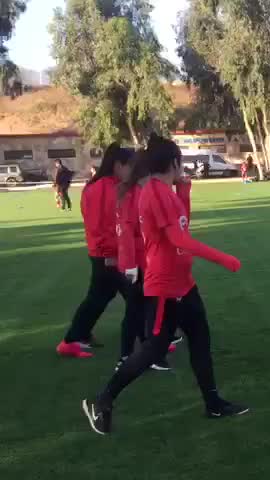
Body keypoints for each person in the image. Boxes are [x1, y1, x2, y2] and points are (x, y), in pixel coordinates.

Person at [82, 133, 247, 435]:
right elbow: (178, 239)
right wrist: (224, 259)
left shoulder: (165, 191)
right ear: (174, 162)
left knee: (200, 340)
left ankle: (213, 404)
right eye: (180, 164)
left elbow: (182, 224)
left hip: (184, 283)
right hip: (165, 288)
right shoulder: (155, 193)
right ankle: (103, 399)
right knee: (153, 350)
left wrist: (184, 191)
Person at [56, 145, 134, 358]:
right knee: (137, 295)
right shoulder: (106, 188)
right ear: (118, 165)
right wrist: (113, 255)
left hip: (102, 252)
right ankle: (155, 339)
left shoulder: (98, 186)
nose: (133, 172)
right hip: (109, 254)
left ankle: (75, 337)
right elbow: (106, 225)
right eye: (131, 166)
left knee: (99, 296)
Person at [116, 151, 173, 371]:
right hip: (140, 262)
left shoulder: (134, 192)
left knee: (142, 309)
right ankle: (134, 355)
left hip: (143, 260)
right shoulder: (135, 194)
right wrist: (130, 264)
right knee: (141, 310)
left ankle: (143, 353)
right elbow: (127, 232)